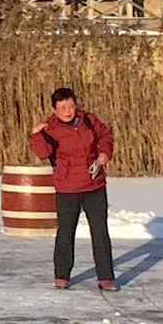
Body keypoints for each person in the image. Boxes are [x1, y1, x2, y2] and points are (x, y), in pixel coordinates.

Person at [29, 87, 117, 292]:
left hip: (94, 186)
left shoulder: (88, 120)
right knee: (66, 232)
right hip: (67, 188)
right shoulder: (49, 129)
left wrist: (104, 154)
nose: (68, 111)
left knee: (100, 231)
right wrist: (36, 135)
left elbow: (106, 136)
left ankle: (106, 277)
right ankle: (62, 275)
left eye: (71, 106)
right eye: (62, 108)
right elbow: (43, 153)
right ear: (54, 110)